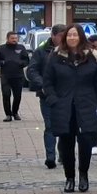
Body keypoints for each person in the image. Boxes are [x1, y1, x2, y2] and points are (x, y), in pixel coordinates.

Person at [43, 24, 97, 194]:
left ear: (81, 37)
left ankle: (83, 175)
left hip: (87, 105)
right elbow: (48, 82)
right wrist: (53, 99)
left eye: (75, 35)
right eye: (69, 35)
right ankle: (69, 178)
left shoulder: (93, 57)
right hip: (63, 106)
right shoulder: (56, 56)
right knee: (66, 144)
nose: (72, 38)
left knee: (86, 142)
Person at [27, 23, 67, 168]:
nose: (64, 40)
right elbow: (31, 71)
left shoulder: (72, 51)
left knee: (66, 127)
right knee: (50, 126)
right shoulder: (41, 51)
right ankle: (50, 157)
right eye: (61, 37)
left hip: (67, 95)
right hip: (47, 95)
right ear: (53, 36)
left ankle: (64, 154)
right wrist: (43, 84)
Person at [0, 32, 31, 122]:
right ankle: (8, 114)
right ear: (7, 38)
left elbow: (26, 60)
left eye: (16, 38)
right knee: (6, 95)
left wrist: (21, 63)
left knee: (17, 96)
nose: (14, 40)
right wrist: (1, 63)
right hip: (5, 76)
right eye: (12, 38)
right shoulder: (1, 49)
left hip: (18, 76)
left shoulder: (21, 48)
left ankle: (15, 112)